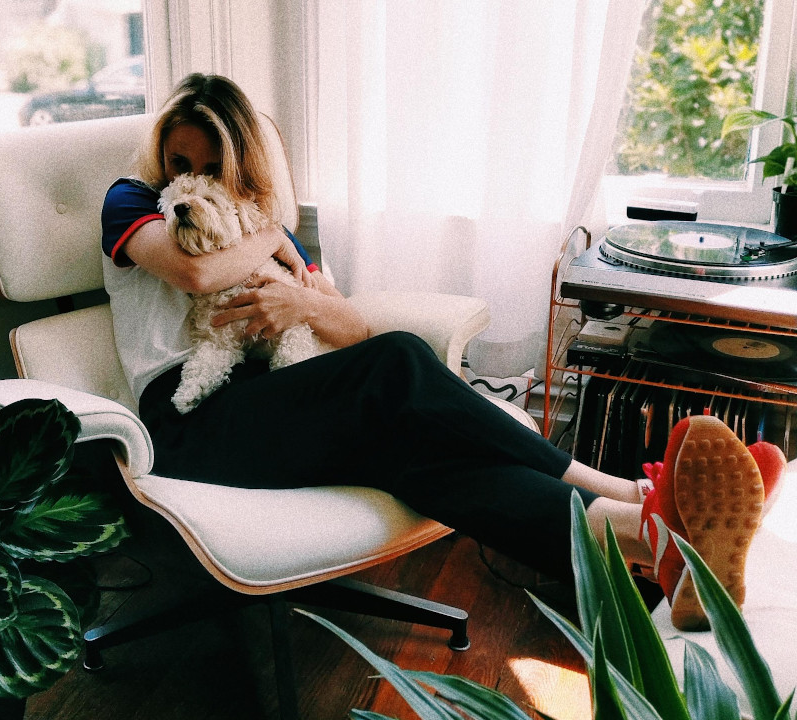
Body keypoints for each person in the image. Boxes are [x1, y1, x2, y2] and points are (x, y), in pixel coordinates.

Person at [100, 73, 786, 631]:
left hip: (277, 411)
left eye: (211, 167)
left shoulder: (260, 229)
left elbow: (349, 329)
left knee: (424, 459)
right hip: (188, 423)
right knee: (399, 360)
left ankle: (658, 543)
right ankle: (626, 492)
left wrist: (302, 301)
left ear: (241, 166)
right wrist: (275, 232)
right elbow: (196, 274)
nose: (187, 178)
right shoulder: (135, 202)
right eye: (179, 161)